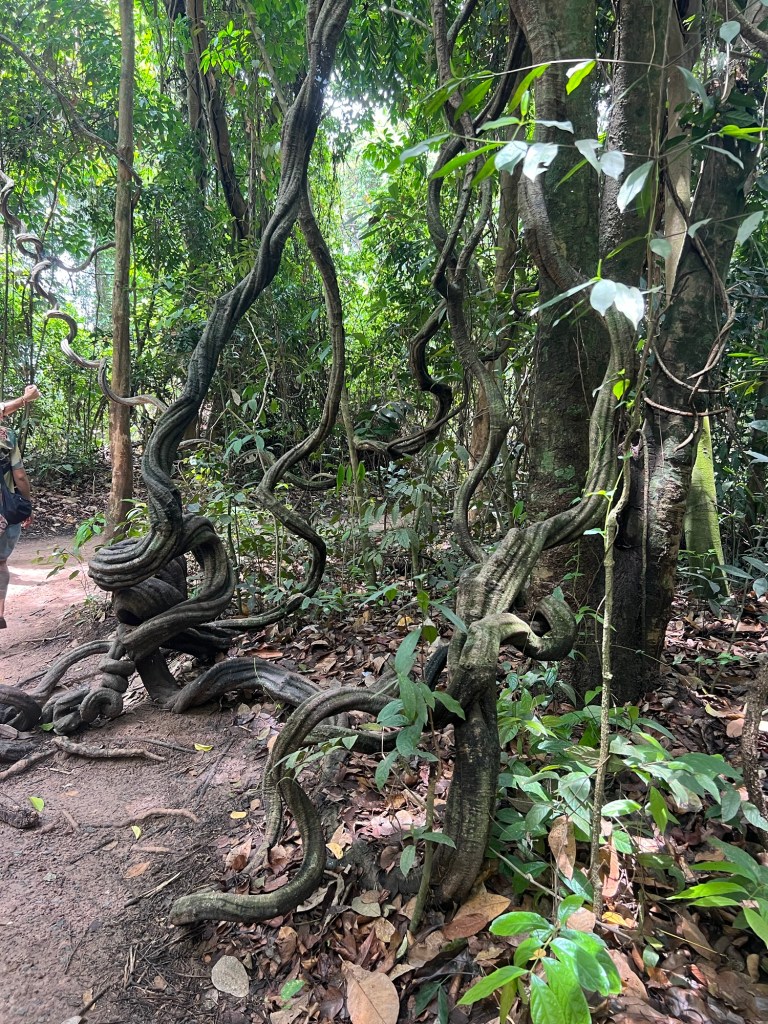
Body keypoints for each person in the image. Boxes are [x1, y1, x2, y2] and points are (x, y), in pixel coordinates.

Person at [0, 385, 40, 628]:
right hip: (5, 512)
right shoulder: (6, 436)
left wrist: (24, 399)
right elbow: (20, 476)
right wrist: (27, 505)